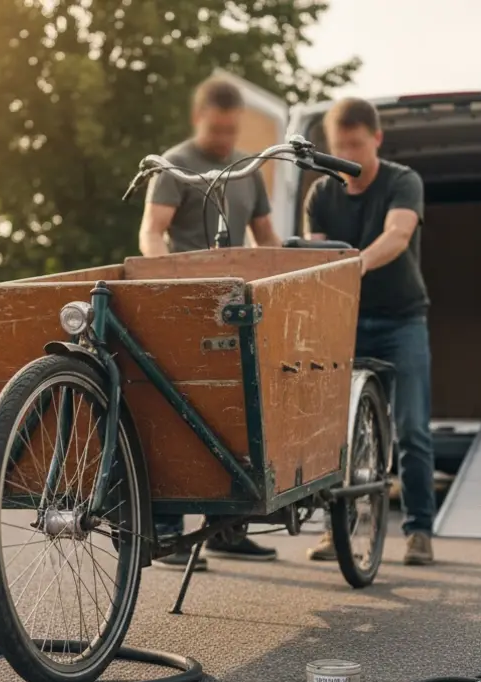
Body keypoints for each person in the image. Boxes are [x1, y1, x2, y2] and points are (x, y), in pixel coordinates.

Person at [137, 76, 284, 571]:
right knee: (178, 407)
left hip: (236, 304)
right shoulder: (175, 164)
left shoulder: (247, 169)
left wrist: (287, 281)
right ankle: (170, 534)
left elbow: (267, 238)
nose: (224, 140)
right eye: (216, 129)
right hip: (185, 301)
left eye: (231, 130)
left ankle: (227, 530)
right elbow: (152, 232)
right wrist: (163, 278)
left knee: (236, 410)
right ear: (197, 119)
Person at [302, 97, 437, 566]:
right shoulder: (320, 194)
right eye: (341, 146)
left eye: (357, 144)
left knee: (414, 428)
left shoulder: (404, 181)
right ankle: (332, 532)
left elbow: (398, 236)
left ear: (376, 139)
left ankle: (419, 531)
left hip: (403, 319)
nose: (350, 155)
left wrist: (354, 264)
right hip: (346, 323)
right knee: (332, 429)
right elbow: (313, 258)